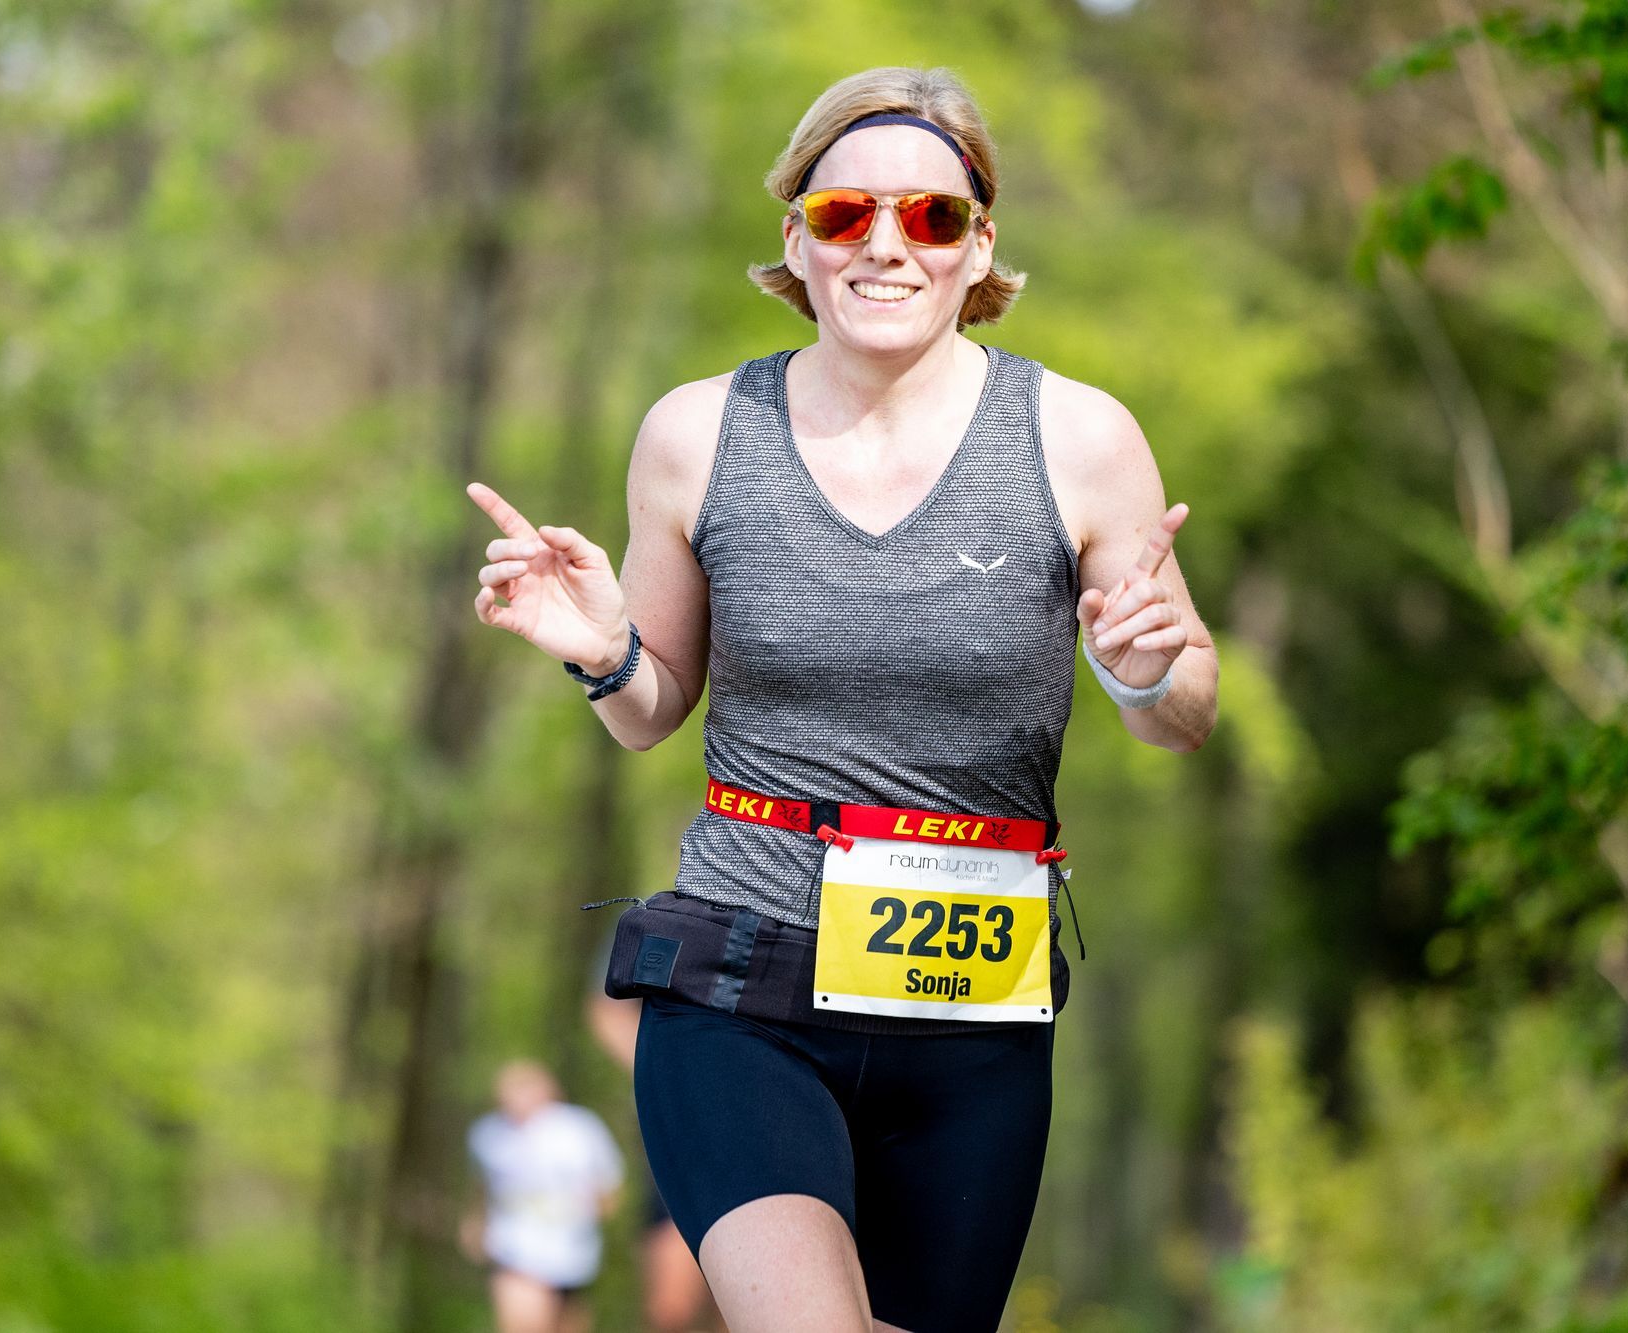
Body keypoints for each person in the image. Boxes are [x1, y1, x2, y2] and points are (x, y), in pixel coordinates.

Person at [468, 65, 1217, 1333]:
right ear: (795, 242)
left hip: (972, 1010)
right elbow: (652, 705)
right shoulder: (698, 433)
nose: (886, 245)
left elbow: (1181, 704)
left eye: (929, 218)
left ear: (979, 242)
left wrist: (1140, 666)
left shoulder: (1079, 438)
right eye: (843, 215)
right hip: (741, 988)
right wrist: (599, 648)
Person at [586, 983, 725, 1333]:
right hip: (682, 1138)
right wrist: (668, 1074)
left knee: (749, 1311)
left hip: (776, 1129)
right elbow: (606, 1010)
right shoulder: (651, 926)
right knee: (671, 1309)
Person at [462, 1060, 624, 1333]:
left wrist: (588, 1210)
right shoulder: (487, 1134)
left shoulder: (580, 1129)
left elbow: (609, 1188)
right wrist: (474, 1224)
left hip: (574, 1255)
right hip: (516, 1253)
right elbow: (480, 1187)